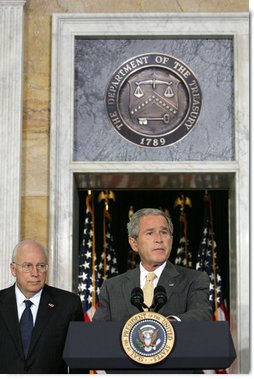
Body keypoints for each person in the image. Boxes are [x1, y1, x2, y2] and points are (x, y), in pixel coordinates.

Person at [93, 208, 212, 322]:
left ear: (171, 240)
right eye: (150, 233)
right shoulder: (112, 287)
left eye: (164, 232)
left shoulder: (194, 280)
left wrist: (164, 324)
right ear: (134, 243)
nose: (159, 239)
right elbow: (98, 332)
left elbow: (201, 316)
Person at [0, 240, 84, 374]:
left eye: (41, 266)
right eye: (27, 266)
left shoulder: (68, 304)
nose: (35, 273)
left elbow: (79, 362)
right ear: (13, 269)